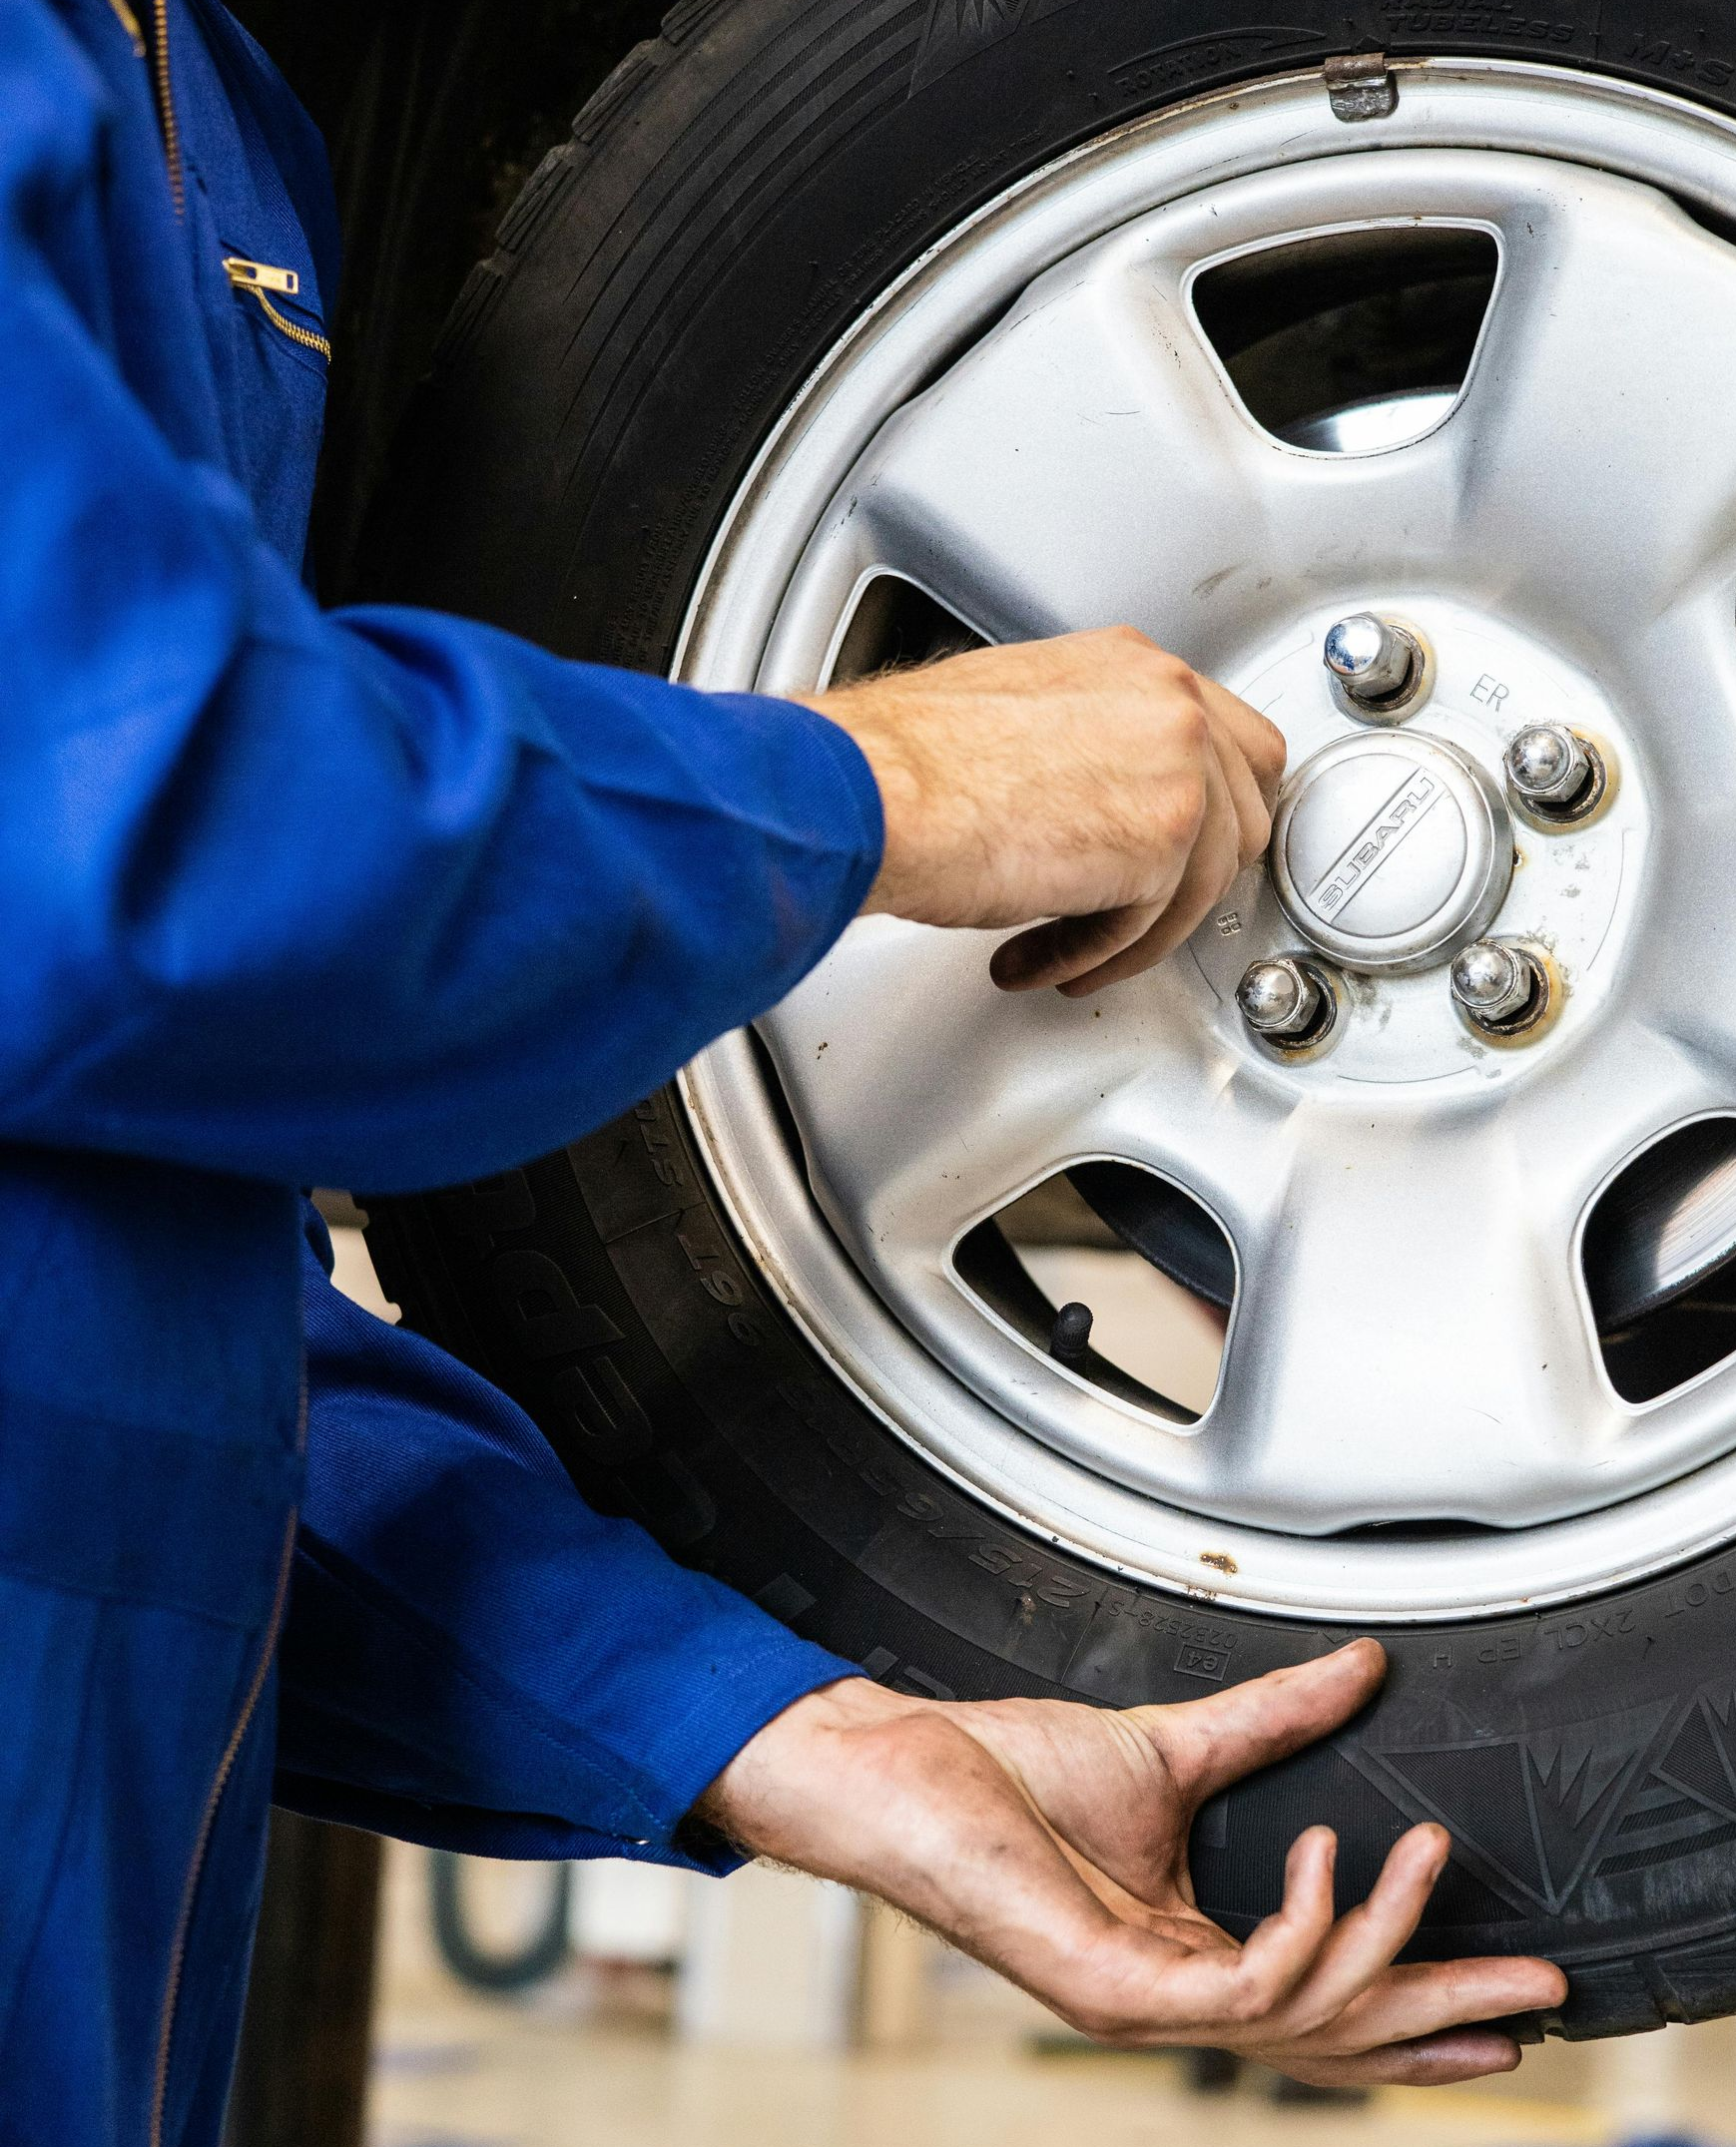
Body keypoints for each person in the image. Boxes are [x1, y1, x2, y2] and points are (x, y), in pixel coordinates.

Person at [0, 3, 1568, 2141]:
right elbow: (117, 829)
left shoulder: (231, 126)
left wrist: (800, 1732)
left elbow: (131, 1291)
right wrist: (894, 786)